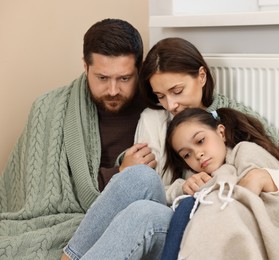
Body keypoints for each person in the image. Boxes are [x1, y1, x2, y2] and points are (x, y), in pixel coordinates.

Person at [58, 37, 279, 259]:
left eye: (177, 91)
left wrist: (262, 178)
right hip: (173, 207)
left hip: (201, 223)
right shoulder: (153, 119)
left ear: (201, 76)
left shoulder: (232, 118)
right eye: (160, 96)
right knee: (137, 177)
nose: (171, 105)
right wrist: (178, 186)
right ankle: (70, 257)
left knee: (144, 213)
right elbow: (153, 190)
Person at [0, 18, 171, 259]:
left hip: (139, 214)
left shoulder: (161, 102)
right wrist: (119, 174)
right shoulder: (50, 108)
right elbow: (37, 198)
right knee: (135, 178)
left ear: (139, 69)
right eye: (102, 78)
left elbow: (209, 105)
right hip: (80, 221)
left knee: (140, 181)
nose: (113, 90)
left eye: (124, 78)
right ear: (85, 66)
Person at [161, 107, 279, 259]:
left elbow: (255, 195)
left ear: (221, 132)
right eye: (187, 155)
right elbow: (168, 191)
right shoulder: (201, 175)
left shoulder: (246, 151)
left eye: (200, 141)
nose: (197, 154)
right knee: (189, 205)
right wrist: (184, 187)